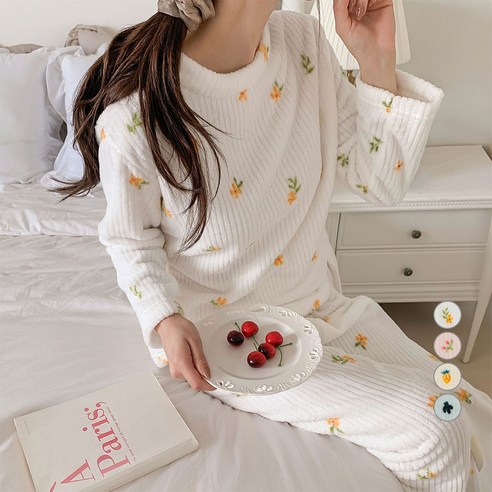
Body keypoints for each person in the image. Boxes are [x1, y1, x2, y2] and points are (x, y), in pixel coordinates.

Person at [51, 0, 492, 490]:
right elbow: (130, 239)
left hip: (326, 310)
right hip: (227, 342)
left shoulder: (304, 42)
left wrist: (376, 59)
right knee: (437, 428)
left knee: (469, 410)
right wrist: (165, 317)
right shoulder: (135, 116)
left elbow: (379, 184)